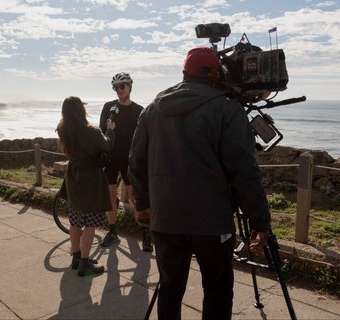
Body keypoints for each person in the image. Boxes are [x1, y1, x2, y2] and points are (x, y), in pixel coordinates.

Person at [128, 47, 271, 319]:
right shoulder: (227, 109)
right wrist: (260, 221)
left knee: (169, 287)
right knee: (217, 290)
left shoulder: (152, 109)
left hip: (165, 218)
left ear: (183, 73)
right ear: (217, 75)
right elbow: (243, 171)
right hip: (212, 222)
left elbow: (136, 161)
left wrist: (143, 205)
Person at [56, 96, 115, 277]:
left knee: (75, 221)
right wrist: (111, 130)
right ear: (81, 110)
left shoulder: (63, 130)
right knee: (90, 223)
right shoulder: (92, 131)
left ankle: (76, 256)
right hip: (91, 180)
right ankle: (85, 263)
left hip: (73, 178)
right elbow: (107, 145)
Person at [99, 72, 152, 251]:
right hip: (110, 158)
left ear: (130, 87)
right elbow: (100, 132)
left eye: (122, 86)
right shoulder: (108, 107)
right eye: (116, 88)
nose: (119, 90)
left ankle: (146, 234)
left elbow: (145, 138)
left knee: (134, 196)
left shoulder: (139, 111)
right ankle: (112, 232)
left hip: (130, 160)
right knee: (111, 196)